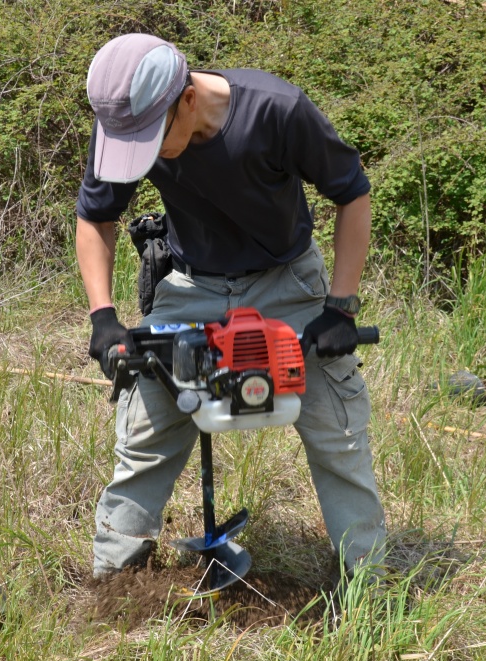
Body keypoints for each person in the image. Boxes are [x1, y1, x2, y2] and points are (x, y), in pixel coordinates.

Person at [75, 33, 387, 580]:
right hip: (191, 284)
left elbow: (352, 194)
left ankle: (367, 586)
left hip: (286, 280)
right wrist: (103, 316)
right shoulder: (124, 121)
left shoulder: (278, 111)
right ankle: (113, 579)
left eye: (155, 139)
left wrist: (340, 307)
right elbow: (96, 216)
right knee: (148, 417)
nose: (144, 155)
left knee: (335, 425)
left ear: (188, 99)